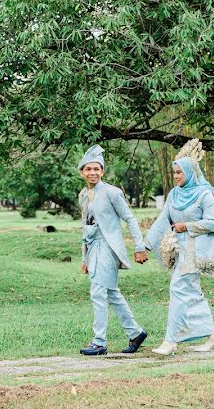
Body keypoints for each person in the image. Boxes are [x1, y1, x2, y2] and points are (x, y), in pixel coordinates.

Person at [145, 140, 214, 355]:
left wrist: (186, 226)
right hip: (180, 251)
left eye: (180, 173)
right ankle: (212, 335)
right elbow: (164, 219)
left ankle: (171, 341)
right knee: (192, 293)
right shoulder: (174, 194)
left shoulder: (204, 194)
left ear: (191, 172)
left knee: (178, 289)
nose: (177, 177)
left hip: (196, 251)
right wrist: (145, 244)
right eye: (175, 173)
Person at [77, 145, 149, 356]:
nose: (92, 173)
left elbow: (129, 218)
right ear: (82, 172)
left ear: (102, 171)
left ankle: (99, 342)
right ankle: (135, 333)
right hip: (93, 248)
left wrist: (139, 246)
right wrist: (84, 257)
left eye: (96, 169)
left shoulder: (112, 192)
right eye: (88, 169)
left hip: (109, 247)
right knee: (111, 293)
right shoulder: (83, 194)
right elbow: (85, 227)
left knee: (97, 292)